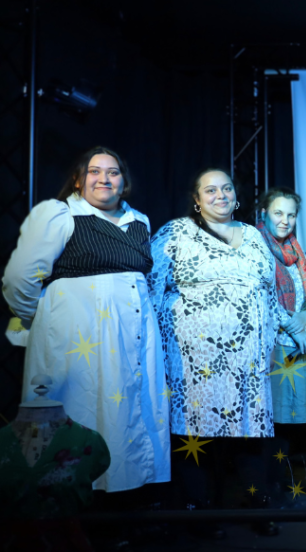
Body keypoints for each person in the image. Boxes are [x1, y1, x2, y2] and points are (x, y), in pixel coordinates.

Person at [2, 147, 170, 496]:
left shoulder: (139, 221)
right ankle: (75, 501)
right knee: (85, 408)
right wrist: (39, 317)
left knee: (129, 411)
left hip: (134, 335)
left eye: (113, 172)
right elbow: (19, 278)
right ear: (78, 180)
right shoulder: (61, 216)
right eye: (94, 171)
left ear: (123, 182)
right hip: (81, 336)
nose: (104, 179)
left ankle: (127, 499)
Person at [149, 169, 290, 526]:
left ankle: (256, 505)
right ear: (196, 199)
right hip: (192, 359)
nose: (221, 195)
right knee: (197, 432)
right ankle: (201, 511)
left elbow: (269, 293)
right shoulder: (175, 232)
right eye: (210, 190)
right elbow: (152, 288)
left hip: (248, 361)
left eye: (226, 188)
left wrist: (282, 332)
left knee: (249, 432)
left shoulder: (254, 236)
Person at [255, 187, 306, 504]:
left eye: (291, 214)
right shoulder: (255, 246)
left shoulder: (297, 251)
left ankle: (280, 487)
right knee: (270, 423)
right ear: (264, 213)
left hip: (298, 344)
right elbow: (264, 296)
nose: (285, 220)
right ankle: (265, 491)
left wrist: (305, 317)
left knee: (289, 422)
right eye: (278, 213)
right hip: (273, 346)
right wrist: (296, 329)